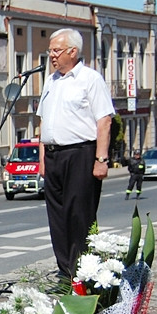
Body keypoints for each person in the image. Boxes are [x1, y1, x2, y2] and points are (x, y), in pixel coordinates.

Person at [36, 28, 115, 279]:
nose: (51, 56)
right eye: (49, 51)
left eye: (56, 50)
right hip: (53, 155)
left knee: (79, 214)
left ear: (73, 51)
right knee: (57, 215)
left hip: (80, 153)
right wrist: (41, 159)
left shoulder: (90, 79)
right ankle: (64, 270)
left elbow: (104, 121)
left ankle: (83, 270)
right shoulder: (51, 81)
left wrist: (101, 160)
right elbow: (43, 120)